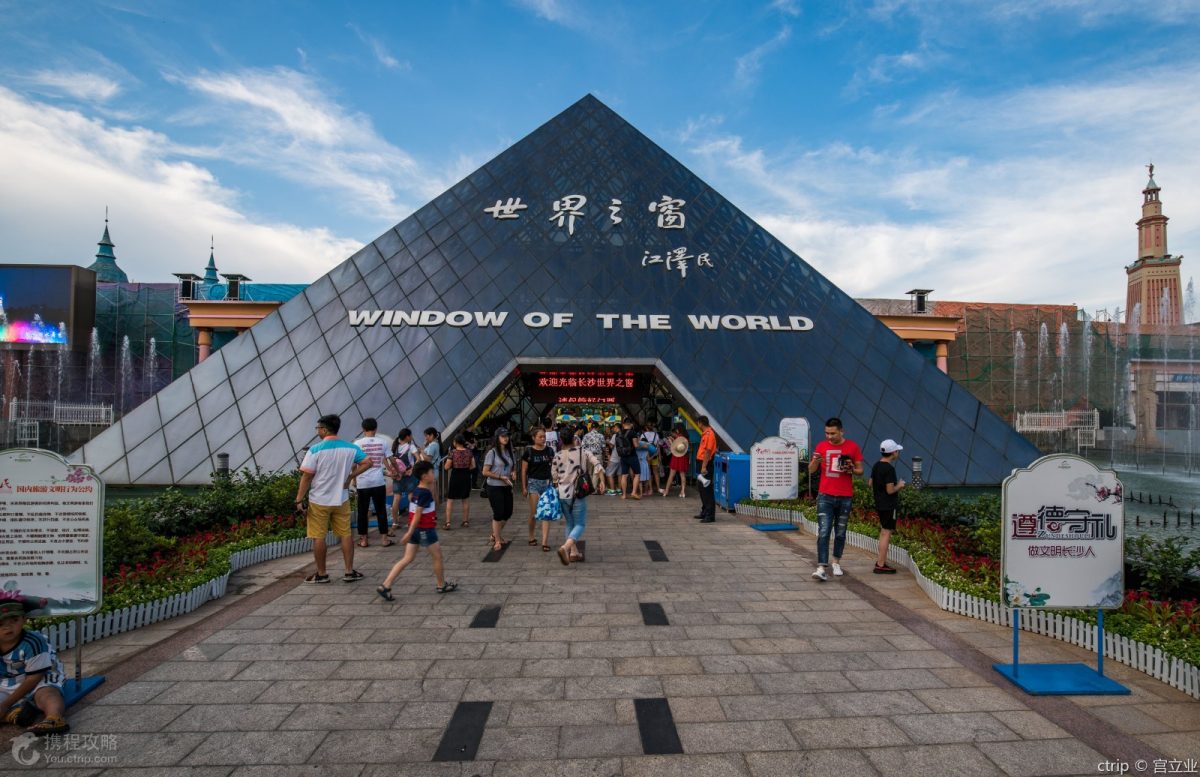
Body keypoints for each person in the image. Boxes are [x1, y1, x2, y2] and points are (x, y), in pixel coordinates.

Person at [296, 414, 373, 583]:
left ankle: (322, 574)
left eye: (318, 428)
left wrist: (299, 499)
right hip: (341, 499)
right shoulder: (350, 448)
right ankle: (348, 571)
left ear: (324, 429)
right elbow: (368, 462)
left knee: (319, 537)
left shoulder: (315, 450)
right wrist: (351, 476)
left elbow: (307, 476)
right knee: (345, 535)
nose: (317, 431)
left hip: (319, 501)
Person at [376, 461, 457, 599]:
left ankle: (386, 585)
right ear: (425, 476)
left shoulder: (416, 491)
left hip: (416, 531)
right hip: (425, 530)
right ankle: (441, 585)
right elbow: (418, 514)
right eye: (431, 473)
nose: (433, 475)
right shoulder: (424, 493)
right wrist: (409, 532)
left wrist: (411, 531)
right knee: (437, 557)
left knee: (407, 558)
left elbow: (415, 512)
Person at [0, 593, 69, 735]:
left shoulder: (33, 642)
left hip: (42, 674)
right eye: (0, 623)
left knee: (46, 693)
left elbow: (34, 677)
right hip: (9, 680)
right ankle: (14, 715)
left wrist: (5, 704)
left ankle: (54, 717)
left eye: (14, 620)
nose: (8, 627)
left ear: (24, 619)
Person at [807, 417, 864, 581]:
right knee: (824, 531)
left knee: (840, 532)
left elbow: (860, 470)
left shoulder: (852, 447)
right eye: (827, 433)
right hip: (825, 495)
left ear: (841, 431)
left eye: (832, 433)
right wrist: (815, 462)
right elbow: (811, 470)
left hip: (845, 496)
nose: (829, 437)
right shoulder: (821, 446)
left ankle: (836, 562)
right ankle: (821, 567)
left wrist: (852, 468)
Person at [552, 429, 600, 566]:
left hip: (562, 494)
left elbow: (554, 476)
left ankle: (573, 553)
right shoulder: (582, 452)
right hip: (577, 493)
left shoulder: (557, 455)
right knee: (580, 524)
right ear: (574, 439)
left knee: (569, 523)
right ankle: (565, 548)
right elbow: (596, 463)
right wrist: (601, 480)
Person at [353, 418, 393, 548]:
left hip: (363, 482)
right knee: (381, 510)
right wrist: (396, 471)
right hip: (378, 482)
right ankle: (384, 539)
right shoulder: (383, 442)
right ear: (376, 428)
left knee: (363, 511)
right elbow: (389, 459)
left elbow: (354, 464)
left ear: (363, 429)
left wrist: (354, 479)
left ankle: (363, 540)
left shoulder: (357, 444)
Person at [870, 439, 906, 574]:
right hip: (888, 505)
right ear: (893, 453)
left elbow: (870, 483)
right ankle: (880, 564)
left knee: (883, 532)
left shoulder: (876, 465)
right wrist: (900, 485)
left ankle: (880, 561)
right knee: (886, 533)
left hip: (879, 503)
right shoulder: (889, 469)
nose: (898, 453)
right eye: (897, 451)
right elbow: (890, 490)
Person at [482, 428, 516, 552]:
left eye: (507, 436)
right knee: (498, 513)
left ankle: (495, 534)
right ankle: (497, 540)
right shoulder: (492, 453)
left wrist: (513, 472)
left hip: (506, 486)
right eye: (502, 436)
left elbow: (511, 466)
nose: (505, 438)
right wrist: (500, 477)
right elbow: (485, 472)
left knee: (508, 512)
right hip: (494, 486)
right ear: (497, 438)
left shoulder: (509, 451)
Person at [521, 427, 555, 547]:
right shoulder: (529, 452)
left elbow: (554, 467)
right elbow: (524, 470)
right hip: (533, 483)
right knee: (534, 512)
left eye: (544, 436)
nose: (543, 439)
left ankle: (544, 541)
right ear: (533, 438)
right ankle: (531, 536)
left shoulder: (550, 451)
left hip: (547, 483)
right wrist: (524, 487)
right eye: (540, 436)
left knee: (546, 512)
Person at [388, 428, 419, 533]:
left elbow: (391, 460)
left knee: (396, 499)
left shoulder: (395, 447)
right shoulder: (411, 446)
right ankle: (412, 521)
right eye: (410, 435)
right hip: (409, 476)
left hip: (397, 477)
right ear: (407, 437)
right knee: (411, 498)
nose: (411, 437)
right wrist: (412, 470)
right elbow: (418, 459)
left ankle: (395, 523)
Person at [442, 434, 476, 530]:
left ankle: (448, 522)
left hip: (455, 476)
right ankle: (465, 521)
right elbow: (473, 465)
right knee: (465, 499)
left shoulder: (452, 453)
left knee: (450, 499)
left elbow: (447, 467)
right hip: (466, 476)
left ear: (455, 443)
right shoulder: (469, 452)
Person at [695, 416, 717, 522]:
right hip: (702, 462)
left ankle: (710, 515)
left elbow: (708, 451)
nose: (698, 425)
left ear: (700, 423)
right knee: (701, 489)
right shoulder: (705, 434)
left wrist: (703, 466)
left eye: (698, 423)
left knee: (707, 490)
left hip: (706, 464)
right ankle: (704, 511)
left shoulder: (709, 434)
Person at [615, 418, 641, 500]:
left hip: (623, 457)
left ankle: (624, 495)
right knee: (637, 474)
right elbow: (636, 445)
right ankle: (633, 492)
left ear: (623, 424)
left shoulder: (618, 433)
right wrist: (640, 443)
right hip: (632, 455)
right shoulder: (632, 433)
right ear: (631, 424)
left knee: (624, 475)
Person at [661, 425, 689, 497]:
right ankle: (683, 492)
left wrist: (671, 441)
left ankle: (666, 491)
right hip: (683, 457)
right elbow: (682, 447)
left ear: (678, 430)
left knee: (671, 475)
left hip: (676, 457)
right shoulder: (686, 437)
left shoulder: (678, 437)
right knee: (682, 475)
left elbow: (673, 448)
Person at [580, 422, 608, 493]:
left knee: (589, 472)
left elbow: (582, 447)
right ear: (598, 428)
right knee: (597, 472)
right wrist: (605, 454)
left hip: (588, 456)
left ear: (591, 428)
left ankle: (590, 488)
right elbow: (603, 447)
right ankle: (593, 489)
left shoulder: (586, 436)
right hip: (598, 455)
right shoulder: (601, 436)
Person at [641, 423, 662, 496]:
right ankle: (658, 488)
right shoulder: (656, 435)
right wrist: (659, 456)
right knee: (656, 472)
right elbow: (658, 446)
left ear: (646, 428)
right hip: (654, 454)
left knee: (649, 473)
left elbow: (641, 445)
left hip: (646, 455)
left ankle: (651, 490)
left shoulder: (643, 435)